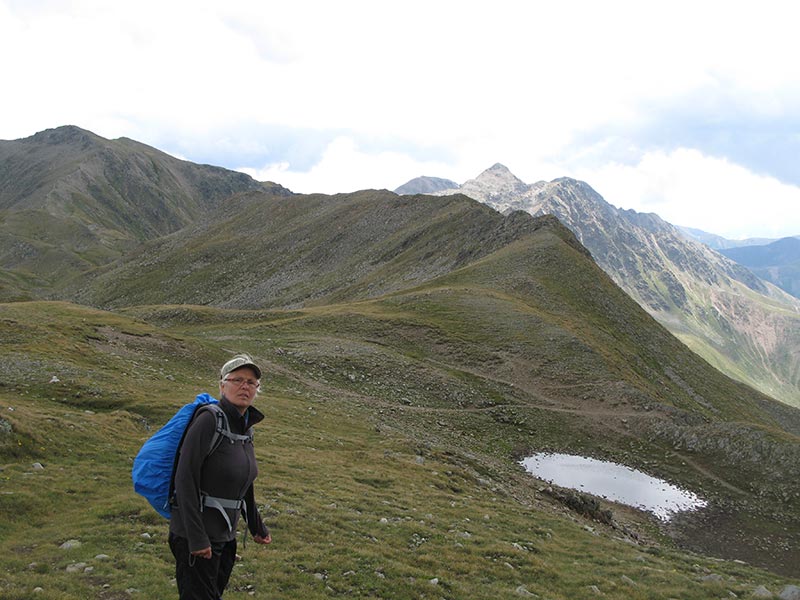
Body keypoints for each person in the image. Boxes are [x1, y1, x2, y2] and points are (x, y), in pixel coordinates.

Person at [168, 354, 272, 599]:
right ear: (222, 385)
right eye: (237, 379)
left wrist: (257, 525)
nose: (244, 386)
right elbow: (184, 478)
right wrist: (196, 539)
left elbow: (244, 482)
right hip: (197, 536)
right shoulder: (209, 419)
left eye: (251, 382)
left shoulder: (244, 429)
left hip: (224, 536)